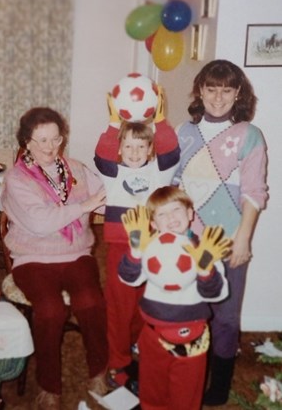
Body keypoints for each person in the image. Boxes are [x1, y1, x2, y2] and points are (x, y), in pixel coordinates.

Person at [173, 59, 269, 406]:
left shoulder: (250, 135)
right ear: (200, 90)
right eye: (211, 89)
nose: (218, 97)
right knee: (189, 312)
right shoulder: (183, 132)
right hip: (187, 240)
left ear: (238, 93)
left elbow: (254, 192)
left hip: (229, 240)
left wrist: (243, 238)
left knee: (226, 317)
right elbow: (171, 186)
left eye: (226, 90)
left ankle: (219, 387)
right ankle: (189, 376)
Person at [1, 107, 108, 410]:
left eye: (55, 139)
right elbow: (40, 222)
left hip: (76, 254)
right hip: (33, 258)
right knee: (50, 310)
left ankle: (99, 370)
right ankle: (49, 386)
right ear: (26, 142)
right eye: (41, 141)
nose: (49, 148)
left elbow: (106, 197)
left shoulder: (76, 168)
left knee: (91, 302)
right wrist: (84, 206)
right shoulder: (17, 179)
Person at [94, 88, 180, 389]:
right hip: (121, 248)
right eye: (128, 147)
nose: (133, 153)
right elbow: (102, 152)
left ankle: (137, 346)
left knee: (148, 302)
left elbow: (171, 150)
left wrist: (159, 118)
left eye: (140, 147)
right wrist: (114, 122)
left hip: (154, 250)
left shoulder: (159, 174)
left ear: (149, 150)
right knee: (120, 306)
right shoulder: (113, 173)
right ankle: (117, 362)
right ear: (121, 149)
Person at [118, 186, 231, 410]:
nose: (170, 218)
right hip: (152, 332)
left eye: (176, 210)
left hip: (192, 337)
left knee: (186, 393)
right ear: (152, 224)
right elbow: (128, 279)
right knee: (152, 387)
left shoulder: (204, 249)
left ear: (190, 214)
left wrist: (205, 271)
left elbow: (219, 293)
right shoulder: (149, 248)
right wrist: (135, 251)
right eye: (162, 214)